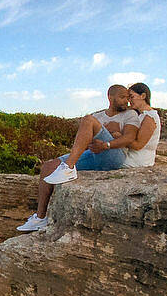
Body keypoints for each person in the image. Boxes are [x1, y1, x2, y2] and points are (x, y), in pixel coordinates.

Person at [17, 84, 138, 232]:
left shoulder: (130, 115)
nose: (126, 101)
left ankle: (68, 168)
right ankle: (40, 218)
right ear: (110, 97)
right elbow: (85, 141)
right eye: (123, 97)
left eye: (127, 97)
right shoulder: (99, 116)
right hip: (93, 155)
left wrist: (107, 143)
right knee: (47, 167)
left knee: (88, 119)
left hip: (114, 155)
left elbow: (130, 138)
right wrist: (103, 138)